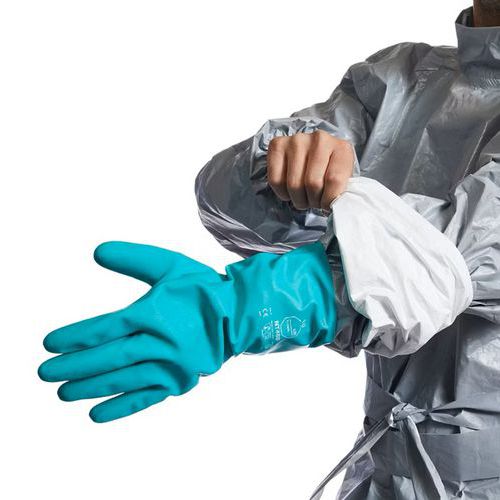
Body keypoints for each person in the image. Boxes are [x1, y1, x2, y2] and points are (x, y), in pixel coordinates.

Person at [38, 3, 500, 499]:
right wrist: (288, 167)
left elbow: (457, 249)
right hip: (388, 471)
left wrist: (251, 306)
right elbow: (227, 201)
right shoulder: (405, 79)